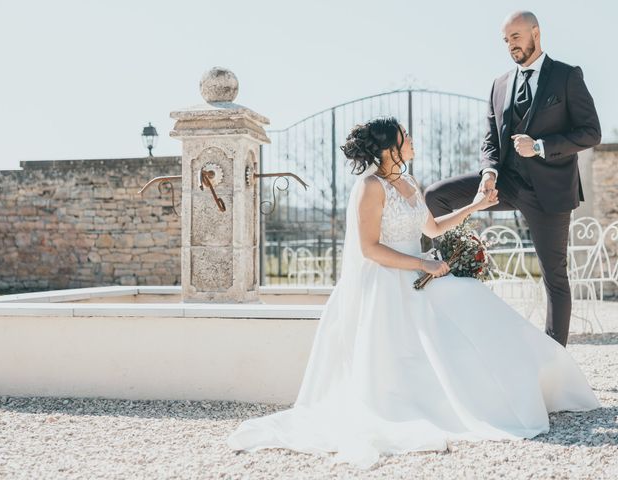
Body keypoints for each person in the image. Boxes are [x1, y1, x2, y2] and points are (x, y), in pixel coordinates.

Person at [227, 117, 599, 469]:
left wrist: (475, 206)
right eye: (406, 136)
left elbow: (433, 229)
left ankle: (533, 381)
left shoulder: (408, 183)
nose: (412, 141)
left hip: (421, 274)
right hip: (388, 284)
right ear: (391, 147)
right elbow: (370, 248)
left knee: (475, 301)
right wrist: (422, 265)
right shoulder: (370, 187)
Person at [424, 11, 602, 347]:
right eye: (506, 40)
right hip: (505, 184)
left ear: (536, 32)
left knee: (555, 279)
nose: (510, 45)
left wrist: (540, 146)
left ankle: (555, 360)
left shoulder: (566, 76)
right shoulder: (500, 84)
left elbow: (591, 132)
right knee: (435, 196)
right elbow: (490, 138)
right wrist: (488, 172)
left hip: (548, 193)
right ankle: (454, 267)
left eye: (516, 37)